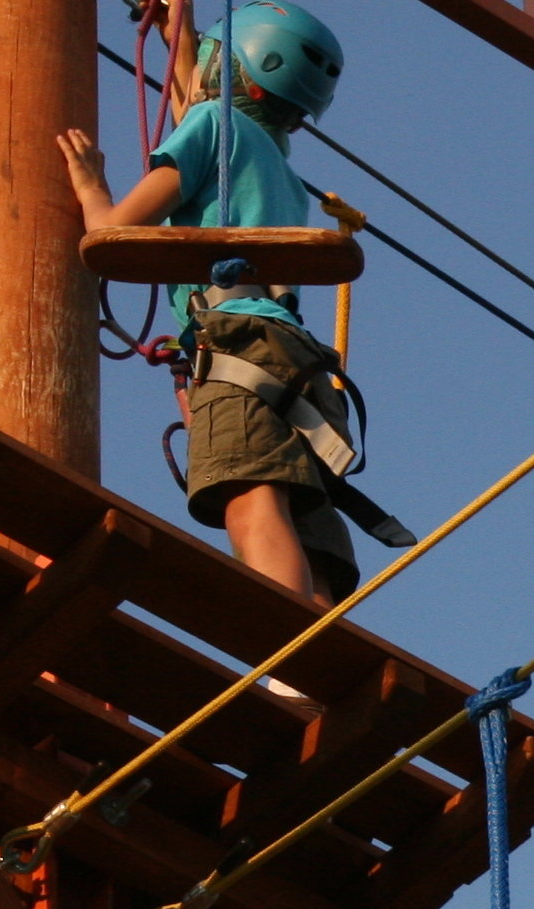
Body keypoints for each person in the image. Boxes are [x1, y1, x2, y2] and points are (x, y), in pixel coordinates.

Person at [59, 0, 402, 616]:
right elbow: (204, 95)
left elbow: (114, 237)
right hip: (294, 359)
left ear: (230, 67)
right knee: (301, 525)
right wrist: (178, 30)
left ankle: (286, 667)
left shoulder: (214, 130)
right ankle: (313, 670)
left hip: (236, 348)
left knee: (250, 499)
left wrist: (91, 188)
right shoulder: (271, 159)